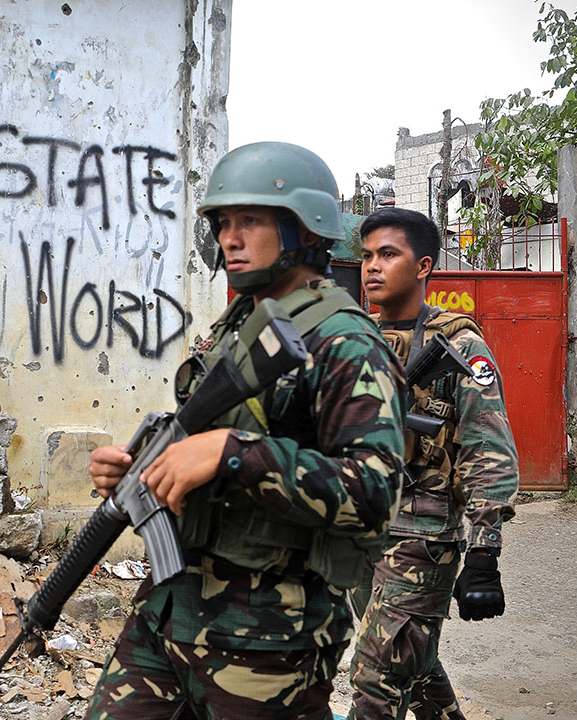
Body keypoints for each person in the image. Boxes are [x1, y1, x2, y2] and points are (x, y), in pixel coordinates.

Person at [83, 142, 407, 720]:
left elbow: (373, 490)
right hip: (170, 610)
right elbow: (205, 442)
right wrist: (143, 471)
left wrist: (237, 454)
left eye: (250, 221)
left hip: (268, 638)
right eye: (223, 223)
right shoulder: (240, 325)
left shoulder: (344, 340)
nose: (229, 238)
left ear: (303, 228)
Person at [348, 207, 519, 720]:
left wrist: (485, 551)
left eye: (388, 254)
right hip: (360, 530)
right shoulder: (358, 341)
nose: (372, 267)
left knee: (377, 676)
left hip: (423, 536)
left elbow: (489, 449)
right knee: (413, 665)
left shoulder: (460, 346)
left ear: (423, 266)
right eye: (366, 256)